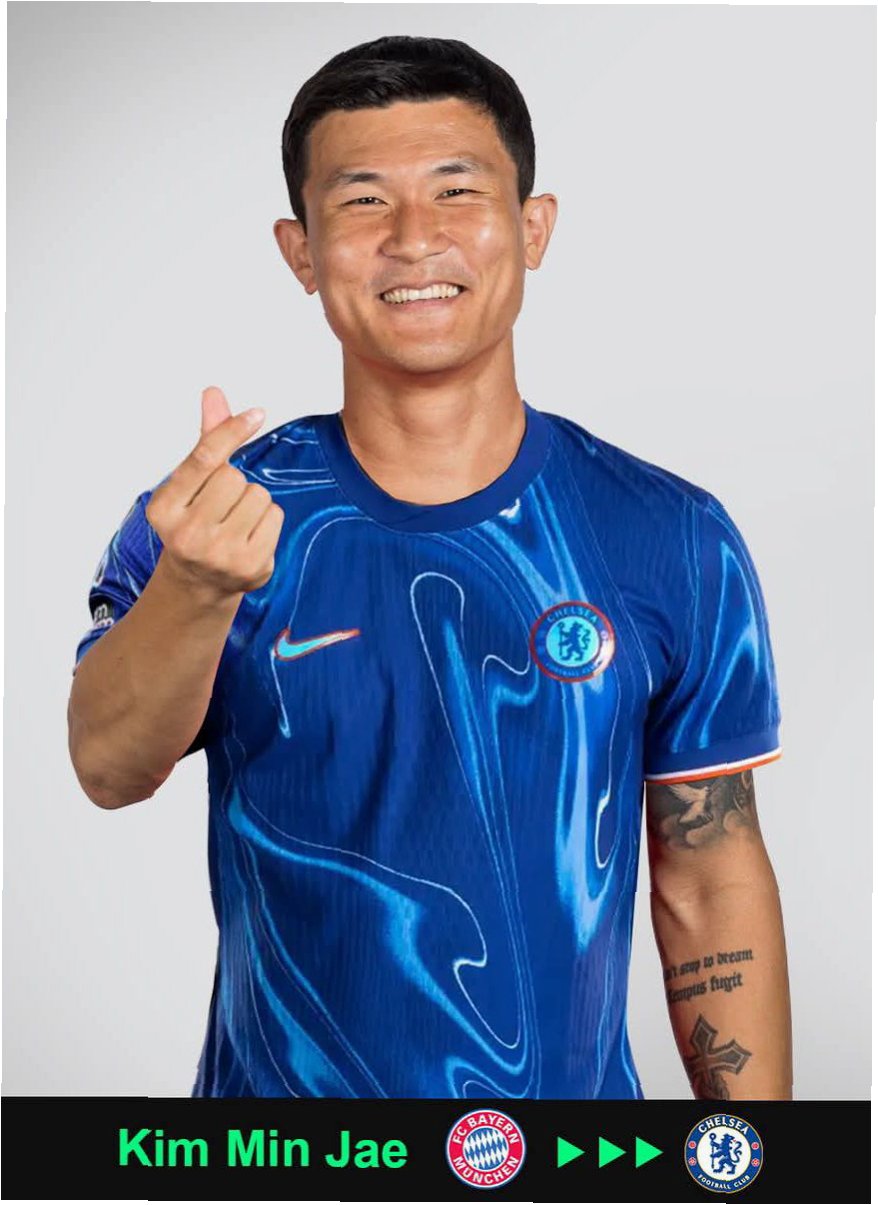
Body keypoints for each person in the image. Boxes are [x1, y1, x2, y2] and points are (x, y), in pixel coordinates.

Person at [67, 34, 792, 1100]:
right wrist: (195, 589)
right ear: (301, 251)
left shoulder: (669, 535)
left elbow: (709, 877)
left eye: (457, 190)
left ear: (532, 227)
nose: (414, 238)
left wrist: (754, 1161)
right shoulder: (208, 522)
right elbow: (106, 766)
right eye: (362, 201)